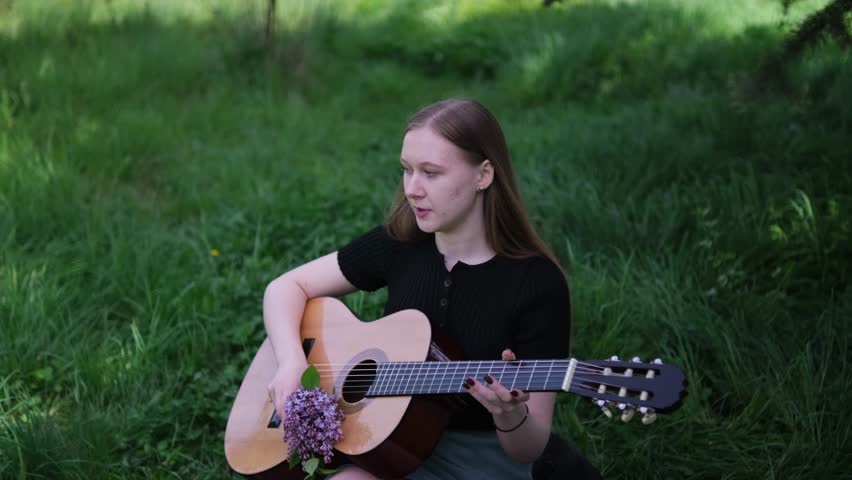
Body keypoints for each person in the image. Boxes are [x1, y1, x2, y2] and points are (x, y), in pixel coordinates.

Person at [263, 98, 572, 479]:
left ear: (483, 175)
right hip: (385, 440)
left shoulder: (538, 283)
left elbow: (528, 450)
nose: (412, 189)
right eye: (407, 170)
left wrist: (509, 415)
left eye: (431, 173)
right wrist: (292, 361)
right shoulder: (400, 245)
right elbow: (286, 287)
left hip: (479, 460)